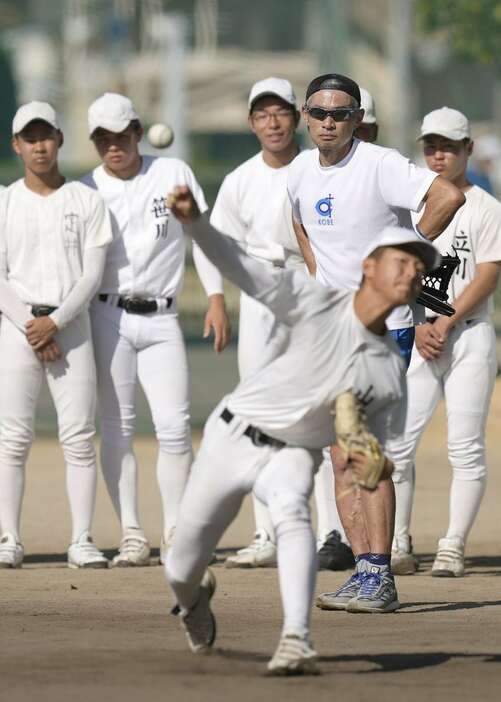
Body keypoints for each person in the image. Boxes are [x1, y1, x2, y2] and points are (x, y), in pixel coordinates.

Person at [164, 185, 440, 675]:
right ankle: (193, 600)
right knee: (179, 567)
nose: (414, 270)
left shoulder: (387, 371)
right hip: (233, 436)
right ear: (369, 266)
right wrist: (196, 224)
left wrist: (370, 461)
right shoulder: (315, 301)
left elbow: (387, 453)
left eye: (420, 267)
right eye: (403, 259)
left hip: (294, 452)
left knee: (294, 511)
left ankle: (296, 640)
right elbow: (241, 268)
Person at [287, 73, 465, 612]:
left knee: (363, 451)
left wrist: (408, 257)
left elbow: (448, 193)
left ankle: (379, 575)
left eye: (340, 113)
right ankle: (364, 570)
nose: (328, 121)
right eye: (319, 111)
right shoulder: (298, 170)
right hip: (329, 332)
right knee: (339, 456)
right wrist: (322, 279)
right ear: (305, 114)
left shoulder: (380, 163)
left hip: (381, 333)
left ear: (356, 118)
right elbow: (300, 224)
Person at [82, 93, 230, 567]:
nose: (112, 145)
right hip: (108, 316)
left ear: (138, 132)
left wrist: (215, 296)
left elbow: (199, 236)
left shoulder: (173, 172)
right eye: (102, 138)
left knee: (173, 427)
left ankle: (175, 532)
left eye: (121, 135)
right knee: (117, 429)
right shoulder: (86, 189)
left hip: (163, 317)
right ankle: (130, 533)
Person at [211, 77, 336, 570]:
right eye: (262, 114)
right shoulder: (239, 179)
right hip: (261, 296)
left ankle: (333, 533)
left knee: (321, 411)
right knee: (260, 413)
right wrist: (218, 299)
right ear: (251, 123)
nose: (272, 122)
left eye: (280, 111)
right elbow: (216, 242)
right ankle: (266, 533)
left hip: (310, 293)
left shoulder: (317, 169)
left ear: (298, 115)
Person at [0, 101, 112, 569]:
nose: (39, 146)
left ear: (60, 140)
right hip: (16, 327)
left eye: (46, 136)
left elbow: (92, 275)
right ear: (17, 146)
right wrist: (32, 324)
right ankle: (9, 538)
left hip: (72, 325)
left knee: (79, 437)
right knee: (12, 438)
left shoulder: (86, 200)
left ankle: (81, 538)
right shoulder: (5, 200)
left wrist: (56, 322)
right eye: (30, 138)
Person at [390, 107, 501, 577]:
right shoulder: (411, 204)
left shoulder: (487, 207)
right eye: (431, 146)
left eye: (449, 147)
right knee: (397, 445)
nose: (439, 155)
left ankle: (452, 544)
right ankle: (396, 541)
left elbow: (489, 272)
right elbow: (400, 271)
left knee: (465, 446)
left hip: (469, 335)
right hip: (421, 334)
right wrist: (419, 322)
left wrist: (445, 322)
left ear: (468, 150)